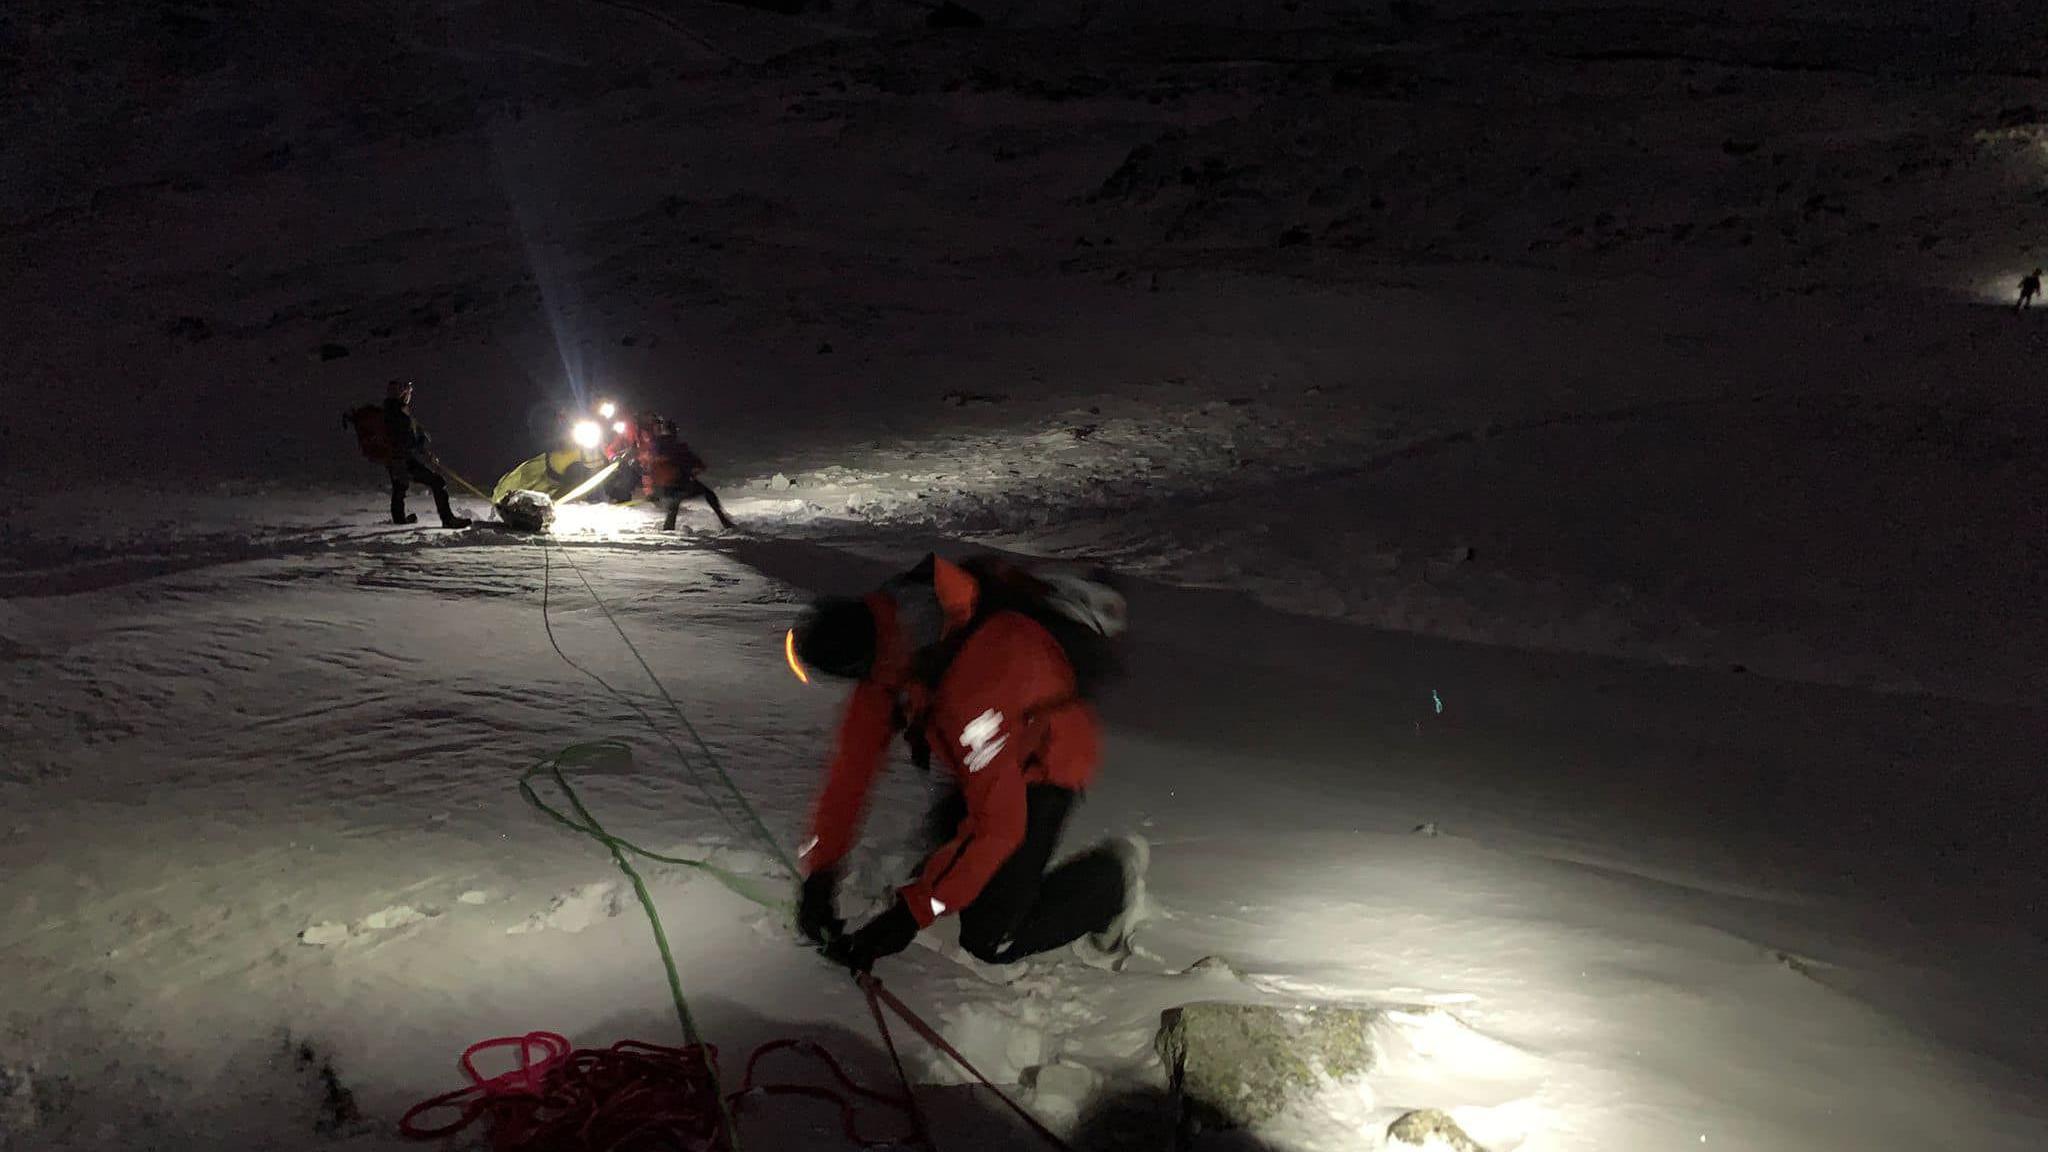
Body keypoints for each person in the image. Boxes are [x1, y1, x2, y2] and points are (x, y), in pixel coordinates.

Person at [790, 554, 1144, 975]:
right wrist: (821, 873)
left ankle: (1110, 882)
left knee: (990, 934)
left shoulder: (973, 686)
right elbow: (851, 772)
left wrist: (912, 914)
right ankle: (950, 885)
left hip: (1046, 762)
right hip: (988, 751)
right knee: (948, 865)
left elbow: (998, 826)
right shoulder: (890, 641)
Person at [383, 380, 470, 528]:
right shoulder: (400, 414)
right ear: (403, 394)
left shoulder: (388, 410)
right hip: (404, 461)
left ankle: (399, 519)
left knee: (399, 488)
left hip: (393, 460)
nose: (410, 395)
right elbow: (407, 442)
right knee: (438, 482)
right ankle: (447, 519)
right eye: (408, 392)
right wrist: (423, 444)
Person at [632, 413, 736, 531]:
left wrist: (650, 491)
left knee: (678, 503)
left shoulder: (658, 446)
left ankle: (668, 529)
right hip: (674, 486)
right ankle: (725, 522)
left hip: (667, 487)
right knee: (705, 495)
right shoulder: (672, 446)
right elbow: (697, 464)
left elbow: (649, 468)